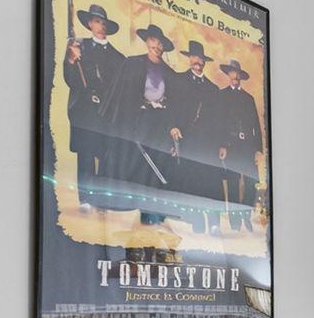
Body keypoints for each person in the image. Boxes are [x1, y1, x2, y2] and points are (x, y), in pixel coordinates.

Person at [108, 24, 182, 223]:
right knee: (138, 162)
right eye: (153, 41)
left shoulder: (170, 73)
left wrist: (172, 126)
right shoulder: (132, 63)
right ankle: (134, 209)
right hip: (138, 121)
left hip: (161, 124)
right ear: (147, 41)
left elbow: (174, 105)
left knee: (157, 164)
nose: (157, 46)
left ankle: (153, 213)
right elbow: (122, 96)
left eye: (160, 43)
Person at [61, 2, 127, 209]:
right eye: (97, 21)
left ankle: (103, 199)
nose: (101, 26)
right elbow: (70, 79)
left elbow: (121, 89)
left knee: (107, 155)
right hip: (85, 111)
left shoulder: (119, 57)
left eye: (104, 22)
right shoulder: (78, 46)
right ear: (90, 23)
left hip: (108, 113)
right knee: (86, 154)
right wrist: (71, 60)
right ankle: (86, 199)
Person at [206, 61, 264, 232]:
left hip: (247, 146)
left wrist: (258, 149)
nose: (235, 77)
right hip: (230, 145)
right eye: (232, 73)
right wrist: (222, 145)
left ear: (240, 77)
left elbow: (256, 125)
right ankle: (235, 221)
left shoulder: (248, 98)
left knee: (251, 181)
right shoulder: (221, 96)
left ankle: (245, 214)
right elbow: (218, 123)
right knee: (232, 183)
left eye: (237, 74)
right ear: (228, 75)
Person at [170, 40, 220, 230]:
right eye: (193, 57)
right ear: (189, 58)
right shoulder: (178, 80)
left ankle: (214, 225)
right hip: (186, 138)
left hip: (208, 143)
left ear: (204, 61)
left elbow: (218, 120)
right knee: (191, 180)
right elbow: (171, 107)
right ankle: (197, 224)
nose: (197, 61)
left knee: (210, 181)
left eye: (200, 58)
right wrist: (172, 127)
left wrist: (220, 144)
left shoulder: (213, 89)